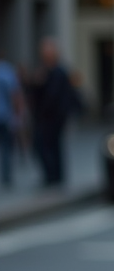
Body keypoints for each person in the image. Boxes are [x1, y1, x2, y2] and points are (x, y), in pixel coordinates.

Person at [28, 38, 81, 186]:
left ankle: (54, 176)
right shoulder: (44, 72)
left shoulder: (58, 72)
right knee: (46, 146)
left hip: (53, 117)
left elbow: (54, 96)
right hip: (46, 116)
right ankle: (52, 175)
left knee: (50, 145)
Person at [0, 51, 23, 187]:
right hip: (6, 116)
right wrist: (18, 115)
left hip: (5, 115)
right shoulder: (8, 71)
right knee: (7, 147)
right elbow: (16, 95)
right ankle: (7, 176)